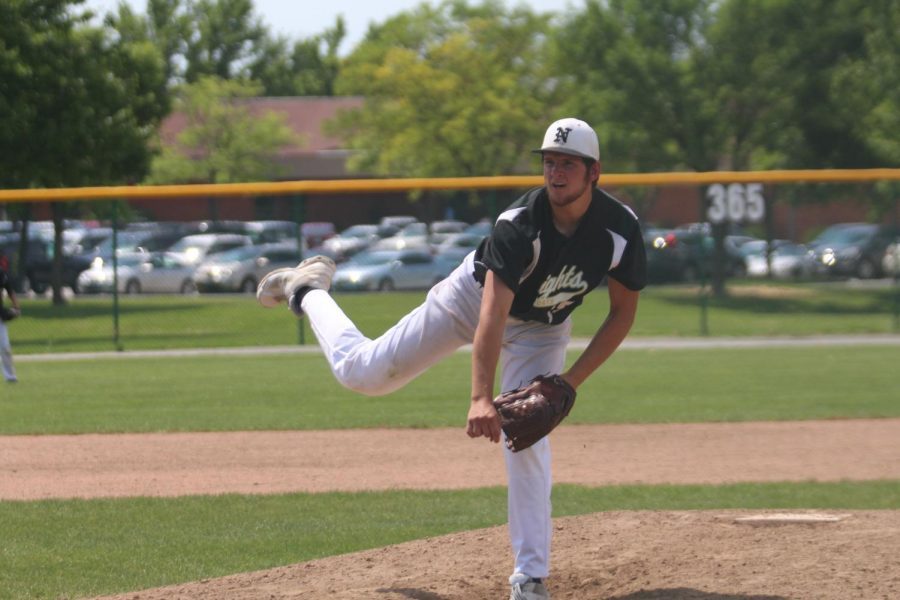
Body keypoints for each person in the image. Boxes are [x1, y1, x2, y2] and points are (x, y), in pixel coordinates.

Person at [257, 117, 647, 600]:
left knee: (525, 437)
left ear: (594, 172)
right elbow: (491, 317)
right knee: (364, 374)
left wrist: (568, 382)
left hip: (544, 328)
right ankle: (308, 289)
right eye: (549, 162)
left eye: (568, 163)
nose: (556, 173)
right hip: (471, 299)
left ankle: (530, 579)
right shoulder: (520, 226)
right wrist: (481, 397)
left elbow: (622, 314)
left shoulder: (620, 230)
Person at [0, 249, 20, 383]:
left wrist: (16, 307)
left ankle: (10, 376)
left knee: (5, 346)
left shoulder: (1, 273)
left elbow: (9, 290)